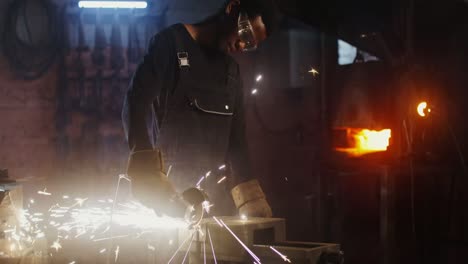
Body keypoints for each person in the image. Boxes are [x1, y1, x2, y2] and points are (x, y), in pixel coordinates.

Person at [122, 0, 277, 218]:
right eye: (246, 34)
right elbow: (135, 104)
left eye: (250, 44)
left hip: (213, 205)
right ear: (232, 8)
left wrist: (252, 200)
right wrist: (146, 169)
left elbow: (237, 143)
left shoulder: (232, 72)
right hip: (170, 201)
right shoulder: (170, 44)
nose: (242, 45)